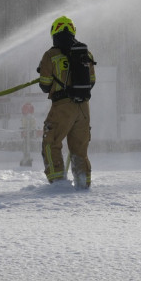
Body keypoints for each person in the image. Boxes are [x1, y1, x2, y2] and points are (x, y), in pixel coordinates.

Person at [37, 15, 96, 189]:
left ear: (54, 32)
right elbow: (91, 81)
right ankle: (83, 184)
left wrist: (46, 74)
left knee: (51, 142)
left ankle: (57, 184)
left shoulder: (51, 55)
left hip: (63, 106)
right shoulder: (86, 53)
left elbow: (45, 85)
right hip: (84, 107)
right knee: (79, 149)